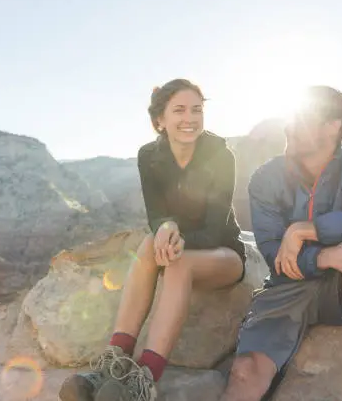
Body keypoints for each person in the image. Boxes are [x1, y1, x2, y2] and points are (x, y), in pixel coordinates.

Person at [59, 78, 246, 401]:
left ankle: (142, 381)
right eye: (180, 110)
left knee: (177, 263)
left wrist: (176, 238)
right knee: (147, 245)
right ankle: (114, 365)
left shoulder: (220, 155)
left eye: (197, 110)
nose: (190, 118)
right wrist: (163, 228)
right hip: (178, 245)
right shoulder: (149, 156)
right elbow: (156, 213)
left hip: (223, 255)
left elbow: (217, 227)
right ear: (160, 120)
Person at [220, 86, 342, 401]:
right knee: (244, 373)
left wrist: (309, 230)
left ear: (333, 126)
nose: (289, 125)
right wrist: (329, 255)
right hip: (286, 286)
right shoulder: (266, 178)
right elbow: (273, 253)